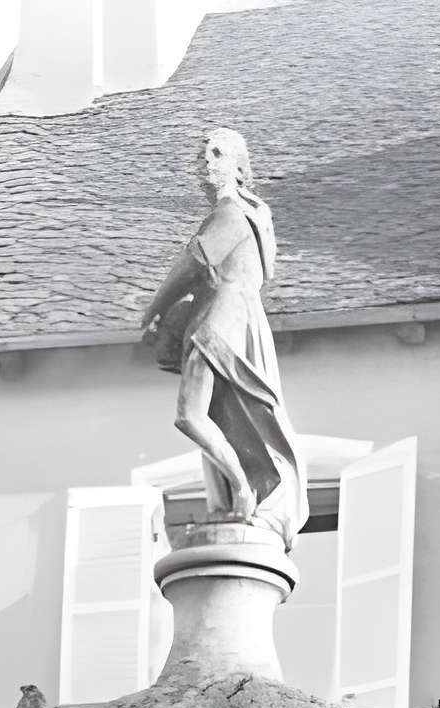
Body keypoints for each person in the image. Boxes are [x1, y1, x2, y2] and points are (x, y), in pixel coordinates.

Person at [141, 128, 308, 547]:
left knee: (190, 415)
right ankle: (237, 495)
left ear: (238, 166)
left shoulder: (231, 214)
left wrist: (153, 310)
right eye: (203, 155)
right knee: (220, 418)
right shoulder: (252, 217)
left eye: (217, 153)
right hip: (240, 321)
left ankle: (245, 491)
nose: (207, 161)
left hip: (219, 320)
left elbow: (191, 265)